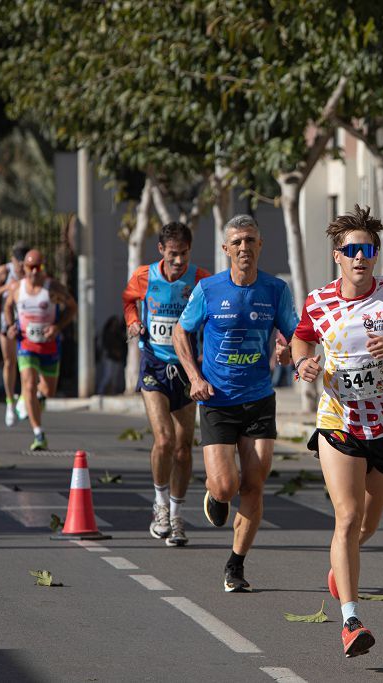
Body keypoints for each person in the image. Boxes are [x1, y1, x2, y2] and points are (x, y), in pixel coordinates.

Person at [289, 205, 383, 658]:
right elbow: (303, 336)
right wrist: (303, 362)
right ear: (337, 255)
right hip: (339, 421)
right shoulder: (320, 300)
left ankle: (342, 567)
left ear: (376, 254)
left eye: (369, 249)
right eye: (352, 250)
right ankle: (351, 621)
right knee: (347, 516)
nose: (361, 257)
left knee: (367, 527)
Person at [173, 214, 299, 591]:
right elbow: (181, 331)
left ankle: (236, 566)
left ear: (260, 246)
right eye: (237, 242)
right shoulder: (209, 289)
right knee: (227, 486)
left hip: (259, 398)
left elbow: (296, 334)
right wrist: (195, 378)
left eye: (251, 241)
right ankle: (216, 491)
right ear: (226, 249)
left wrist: (290, 350)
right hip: (217, 399)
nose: (244, 248)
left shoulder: (275, 290)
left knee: (255, 485)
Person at [122, 222, 211, 547]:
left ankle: (176, 514)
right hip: (154, 366)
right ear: (161, 250)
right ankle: (159, 505)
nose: (178, 261)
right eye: (172, 254)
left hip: (187, 369)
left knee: (183, 448)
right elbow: (128, 300)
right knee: (163, 440)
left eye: (184, 254)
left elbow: (214, 313)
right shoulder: (144, 276)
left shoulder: (200, 278)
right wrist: (133, 323)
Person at [4, 249, 76, 450]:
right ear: (24, 268)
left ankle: (33, 400)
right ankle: (38, 433)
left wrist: (58, 326)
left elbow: (72, 307)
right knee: (28, 384)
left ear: (43, 267)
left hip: (49, 346)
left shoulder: (52, 287)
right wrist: (11, 326)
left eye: (38, 267)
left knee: (48, 391)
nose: (34, 271)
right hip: (26, 345)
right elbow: (8, 306)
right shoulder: (18, 288)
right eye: (30, 267)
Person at [0, 241, 30, 426]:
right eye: (19, 263)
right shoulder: (4, 271)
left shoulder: (33, 270)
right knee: (10, 361)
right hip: (7, 320)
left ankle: (24, 398)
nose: (21, 267)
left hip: (28, 321)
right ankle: (10, 402)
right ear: (12, 260)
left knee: (28, 363)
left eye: (24, 263)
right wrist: (6, 288)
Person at [96, 315, 126, 395]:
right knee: (107, 376)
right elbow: (107, 346)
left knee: (115, 377)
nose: (115, 325)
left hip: (117, 358)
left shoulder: (118, 333)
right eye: (114, 322)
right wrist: (114, 351)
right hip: (109, 357)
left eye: (116, 323)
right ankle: (100, 392)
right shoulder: (107, 333)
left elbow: (122, 344)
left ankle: (112, 392)